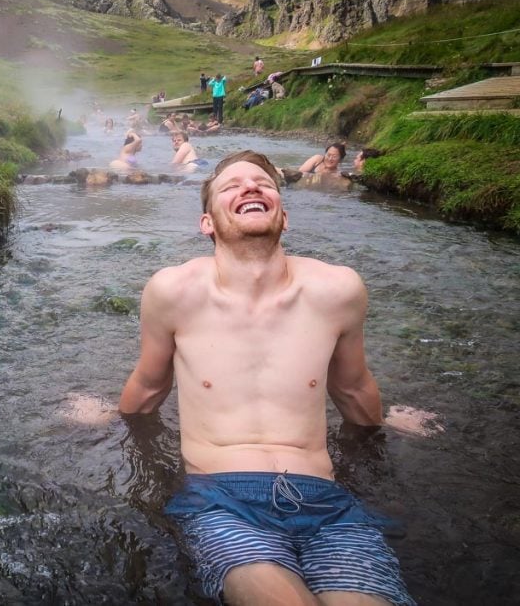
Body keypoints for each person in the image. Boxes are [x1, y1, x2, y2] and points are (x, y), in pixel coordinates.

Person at [119, 150, 421, 606]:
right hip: (220, 499)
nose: (250, 187)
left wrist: (385, 425)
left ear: (285, 216)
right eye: (231, 185)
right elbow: (148, 386)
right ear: (207, 223)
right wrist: (110, 416)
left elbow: (352, 388)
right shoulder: (173, 291)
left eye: (263, 183)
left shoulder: (337, 290)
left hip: (328, 503)